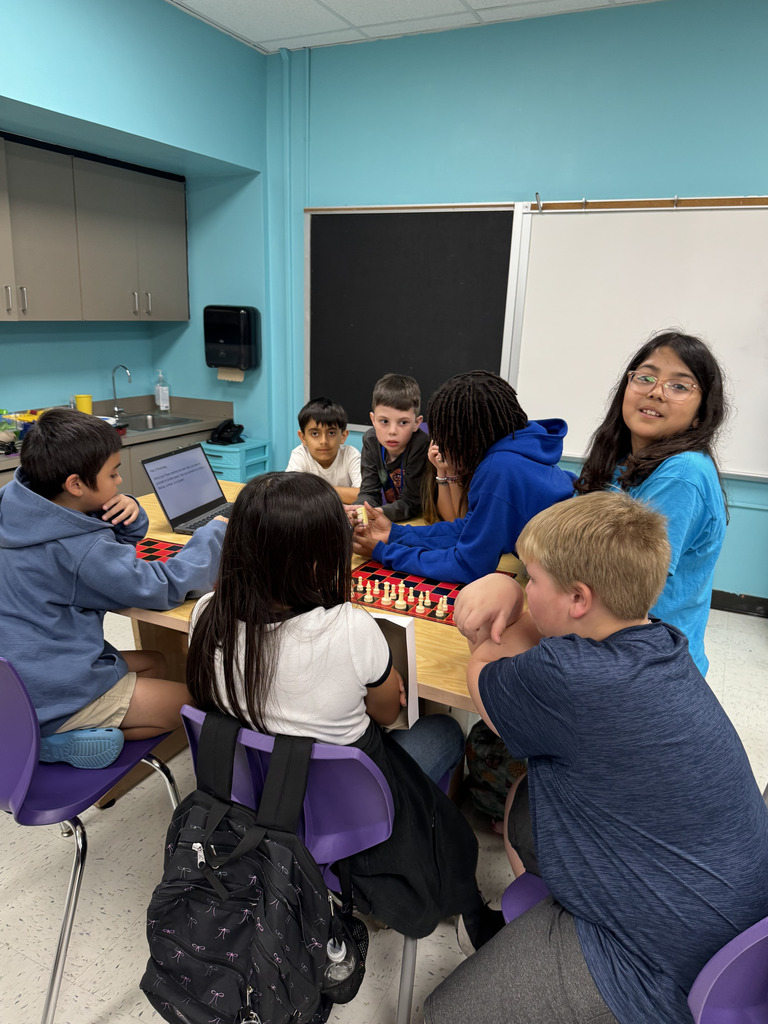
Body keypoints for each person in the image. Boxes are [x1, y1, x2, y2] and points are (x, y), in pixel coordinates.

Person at [425, 491, 768, 1024]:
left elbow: (483, 671)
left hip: (657, 963)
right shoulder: (662, 639)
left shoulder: (567, 675)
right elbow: (555, 639)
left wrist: (503, 599)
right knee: (526, 796)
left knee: (440, 1014)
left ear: (579, 598)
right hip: (738, 931)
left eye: (532, 578)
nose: (524, 586)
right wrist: (524, 595)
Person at [186, 471, 498, 942]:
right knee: (445, 732)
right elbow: (387, 714)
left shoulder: (206, 613)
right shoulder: (350, 627)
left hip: (252, 796)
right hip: (343, 807)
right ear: (319, 561)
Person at [0, 408, 225, 769]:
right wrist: (215, 531)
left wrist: (130, 513)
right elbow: (164, 586)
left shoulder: (16, 503)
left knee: (156, 661)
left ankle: (73, 726)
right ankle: (48, 741)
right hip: (54, 693)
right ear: (75, 485)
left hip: (14, 681)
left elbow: (97, 551)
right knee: (196, 705)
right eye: (113, 473)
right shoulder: (80, 551)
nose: (120, 481)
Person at [576, 329, 727, 676]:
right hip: (606, 639)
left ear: (701, 413)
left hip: (650, 664)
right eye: (645, 377)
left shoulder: (684, 473)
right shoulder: (619, 462)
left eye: (679, 386)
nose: (656, 391)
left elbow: (620, 584)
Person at [353, 370, 575, 583]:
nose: (442, 447)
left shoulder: (500, 468)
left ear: (464, 436)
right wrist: (395, 533)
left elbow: (468, 564)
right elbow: (468, 529)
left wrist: (385, 553)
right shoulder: (519, 446)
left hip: (574, 565)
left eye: (446, 438)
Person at [354, 372, 429, 521]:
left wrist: (376, 513)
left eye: (403, 422)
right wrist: (358, 511)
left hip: (423, 519)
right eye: (384, 421)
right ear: (373, 420)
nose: (392, 431)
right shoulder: (371, 441)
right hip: (393, 517)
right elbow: (369, 492)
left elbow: (412, 504)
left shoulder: (420, 445)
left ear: (417, 423)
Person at [285, 395, 361, 504]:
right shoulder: (300, 454)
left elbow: (362, 495)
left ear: (343, 436)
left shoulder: (350, 455)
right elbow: (291, 493)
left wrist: (318, 489)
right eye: (315, 434)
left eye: (331, 433)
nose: (323, 441)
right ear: (303, 438)